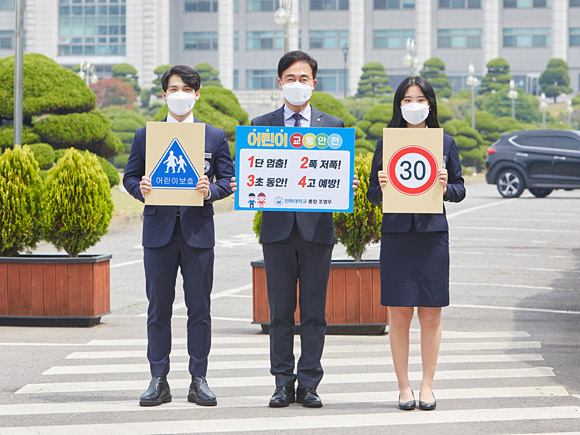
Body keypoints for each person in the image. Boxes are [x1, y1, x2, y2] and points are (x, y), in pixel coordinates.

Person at [231, 50, 359, 408]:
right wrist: (246, 182)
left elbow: (339, 175)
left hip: (317, 232)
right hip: (277, 233)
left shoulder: (332, 127)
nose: (297, 84)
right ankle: (282, 383)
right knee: (280, 312)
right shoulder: (260, 126)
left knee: (315, 312)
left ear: (314, 84)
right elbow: (253, 174)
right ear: (280, 83)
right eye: (291, 78)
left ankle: (310, 384)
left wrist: (343, 186)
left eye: (304, 79)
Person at [123, 65, 235, 408]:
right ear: (164, 95)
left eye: (187, 89)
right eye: (174, 89)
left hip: (198, 232)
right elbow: (129, 177)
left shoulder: (213, 137)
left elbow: (229, 181)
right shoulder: (146, 135)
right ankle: (158, 378)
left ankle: (198, 379)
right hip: (158, 232)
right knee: (158, 308)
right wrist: (142, 189)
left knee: (199, 308)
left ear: (197, 95)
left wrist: (209, 191)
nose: (180, 95)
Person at [367, 76, 465, 411]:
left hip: (432, 236)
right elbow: (373, 196)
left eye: (420, 99)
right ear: (399, 106)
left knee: (431, 313)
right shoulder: (387, 143)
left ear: (430, 105)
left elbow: (460, 190)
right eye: (407, 99)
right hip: (397, 236)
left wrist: (444, 185)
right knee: (398, 313)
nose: (413, 105)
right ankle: (403, 387)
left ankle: (427, 385)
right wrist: (380, 184)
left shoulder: (445, 143)